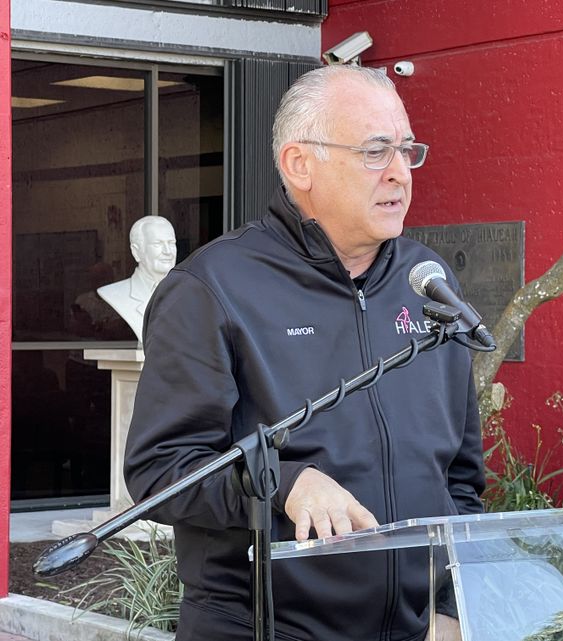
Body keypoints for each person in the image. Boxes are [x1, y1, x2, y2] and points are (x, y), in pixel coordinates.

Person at [124, 64, 485, 641]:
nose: (399, 173)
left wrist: (455, 601)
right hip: (265, 628)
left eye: (407, 150)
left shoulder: (428, 281)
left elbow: (460, 476)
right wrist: (284, 485)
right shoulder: (213, 289)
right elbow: (161, 470)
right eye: (375, 151)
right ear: (300, 165)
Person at [97, 215, 177, 342]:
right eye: (158, 244)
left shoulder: (188, 293)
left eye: (171, 243)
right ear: (136, 252)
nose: (168, 251)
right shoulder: (115, 294)